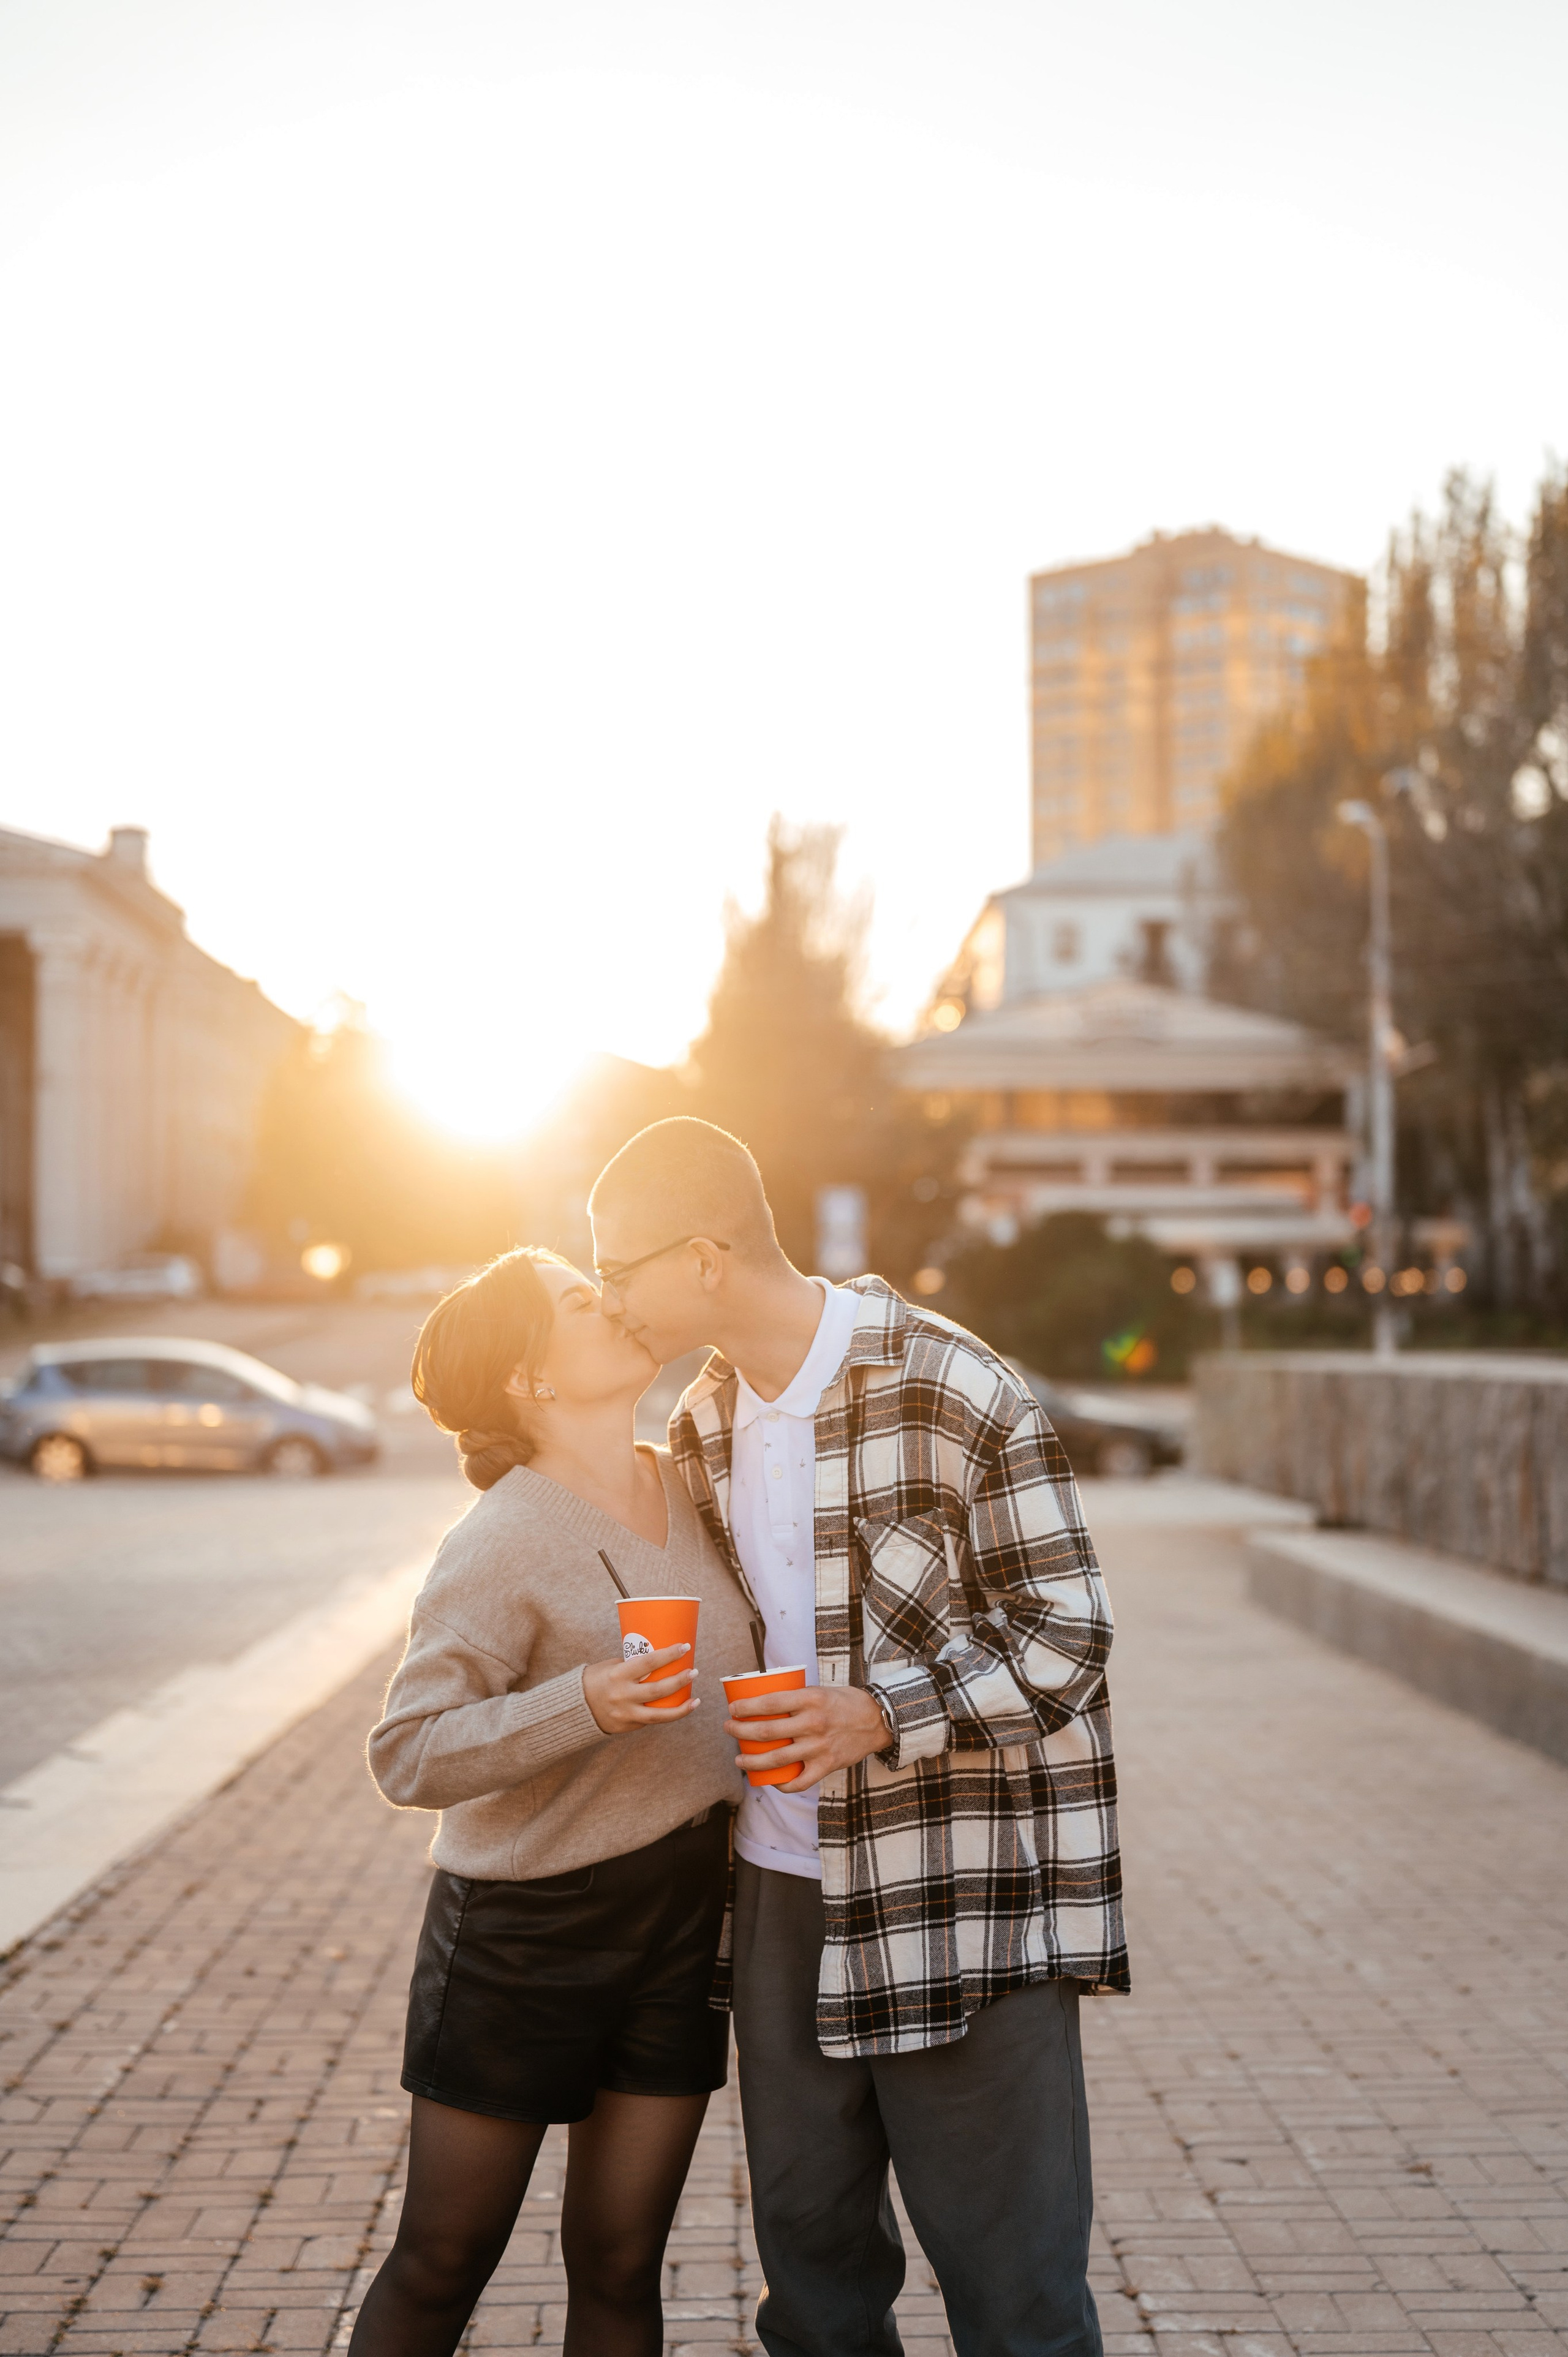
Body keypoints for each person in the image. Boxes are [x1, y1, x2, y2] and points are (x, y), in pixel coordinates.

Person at [589, 1119, 1128, 2357]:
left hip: (961, 1895)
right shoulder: (700, 1424)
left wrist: (880, 1711)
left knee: (1015, 2296)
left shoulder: (955, 1385)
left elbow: (1071, 1634)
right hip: (778, 1899)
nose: (610, 1296)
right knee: (815, 2285)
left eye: (620, 1268)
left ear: (706, 1257)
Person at [350, 1246, 758, 2357]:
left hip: (684, 1917)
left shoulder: (690, 1481)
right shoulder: (501, 1538)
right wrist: (581, 1703)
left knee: (623, 2264)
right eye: (582, 1301)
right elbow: (407, 1754)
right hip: (525, 1931)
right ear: (529, 1377)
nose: (614, 1302)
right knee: (442, 2264)